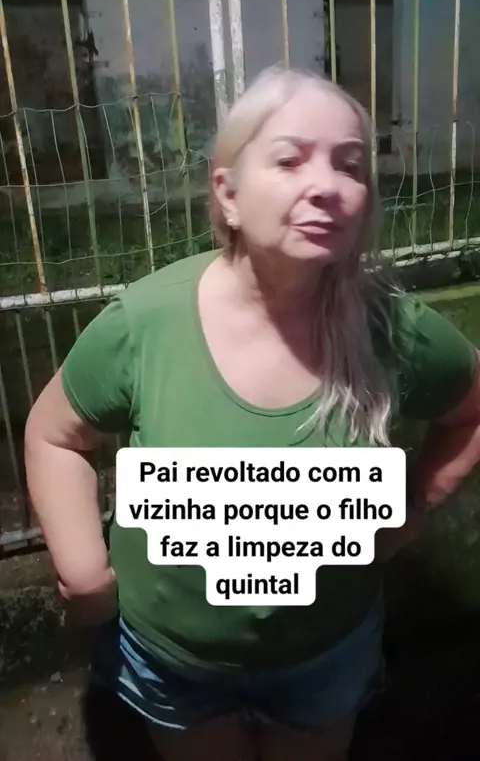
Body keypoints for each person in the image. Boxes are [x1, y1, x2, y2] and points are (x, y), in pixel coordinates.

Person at [24, 66, 480, 761]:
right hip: (173, 660)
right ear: (228, 194)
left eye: (350, 165)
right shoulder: (144, 324)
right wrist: (83, 571)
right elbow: (54, 433)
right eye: (290, 159)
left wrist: (409, 513)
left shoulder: (393, 330)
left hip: (324, 660)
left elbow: (472, 409)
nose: (327, 185)